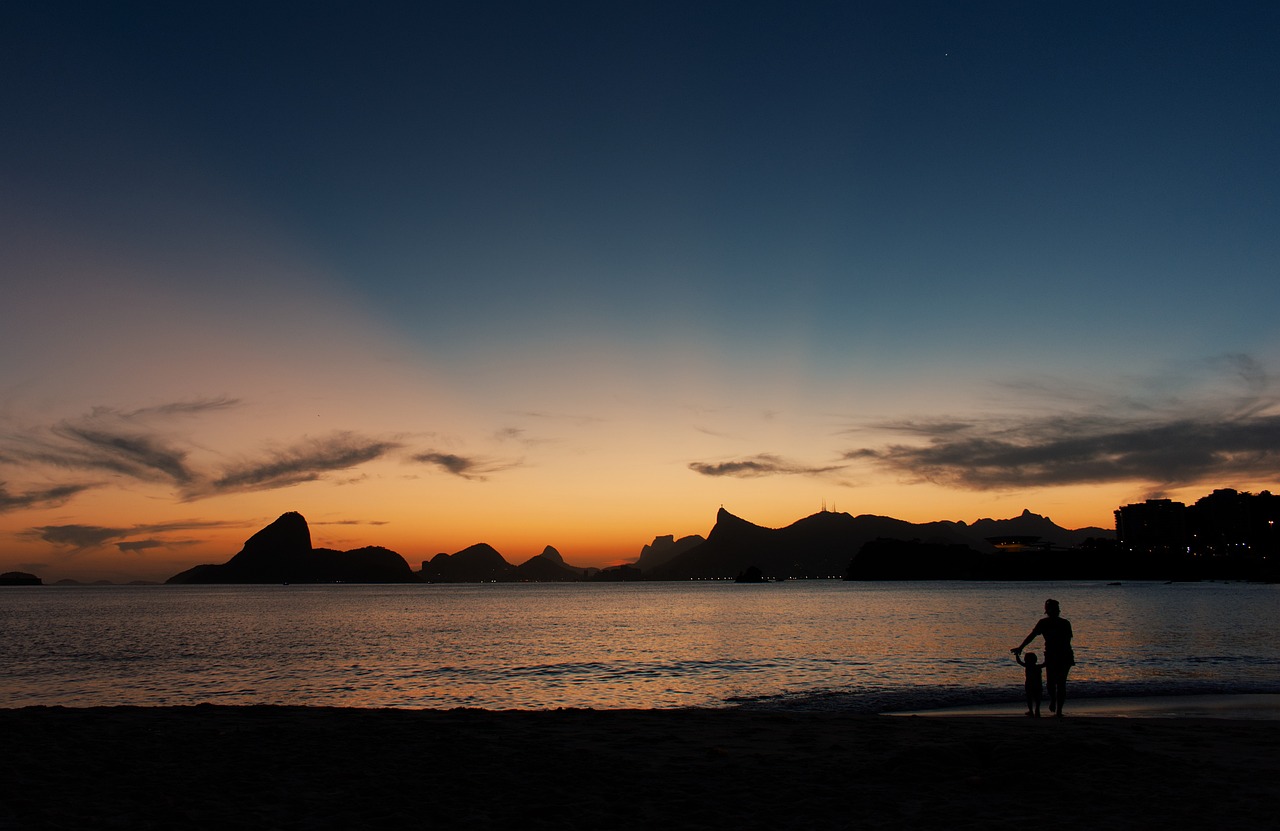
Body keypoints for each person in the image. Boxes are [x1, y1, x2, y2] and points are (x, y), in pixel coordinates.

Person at [1012, 599, 1074, 717]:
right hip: (1051, 656)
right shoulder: (1043, 623)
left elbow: (1067, 641)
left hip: (1064, 656)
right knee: (1050, 684)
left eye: (1054, 610)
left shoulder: (1065, 623)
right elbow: (1032, 635)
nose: (1053, 612)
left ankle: (1059, 711)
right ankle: (1053, 700)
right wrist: (1021, 647)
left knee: (1061, 683)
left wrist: (1058, 650)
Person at [1013, 651, 1044, 717]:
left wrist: (1017, 655)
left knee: (1029, 698)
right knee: (1037, 698)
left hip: (1029, 684)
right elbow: (1046, 664)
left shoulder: (1027, 666)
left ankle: (1031, 710)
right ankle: (1037, 710)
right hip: (1038, 684)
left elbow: (1019, 662)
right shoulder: (1038, 667)